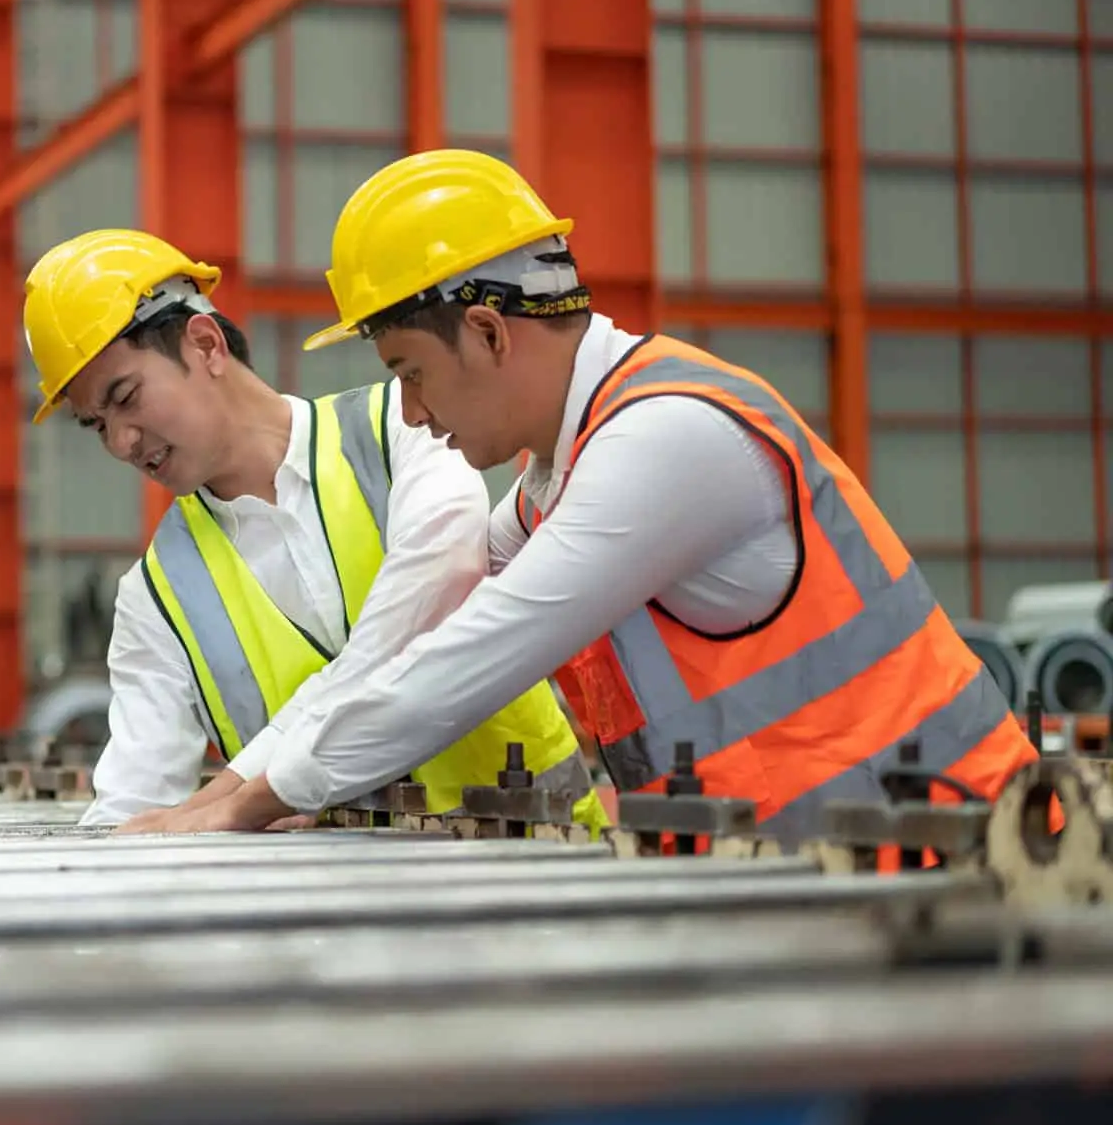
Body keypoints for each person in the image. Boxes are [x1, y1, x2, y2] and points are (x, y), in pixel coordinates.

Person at [172, 148, 1039, 840]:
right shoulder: (555, 478)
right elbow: (399, 646)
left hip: (978, 862)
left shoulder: (665, 442)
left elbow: (472, 658)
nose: (412, 411)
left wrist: (251, 805)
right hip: (830, 879)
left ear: (486, 332)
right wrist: (232, 786)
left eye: (412, 371)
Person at [19, 228, 595, 830]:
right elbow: (132, 811)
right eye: (96, 425)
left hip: (549, 862)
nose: (121, 442)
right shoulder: (156, 599)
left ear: (206, 344)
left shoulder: (405, 433)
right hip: (335, 915)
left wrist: (233, 799)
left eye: (126, 397)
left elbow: (418, 619)